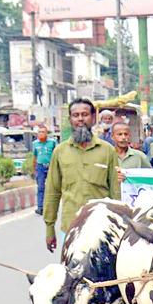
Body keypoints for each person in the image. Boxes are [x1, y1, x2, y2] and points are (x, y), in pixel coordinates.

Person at [44, 98, 121, 255]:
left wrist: (119, 227)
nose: (80, 119)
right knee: (70, 275)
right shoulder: (60, 152)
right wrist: (49, 227)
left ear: (93, 118)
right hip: (70, 227)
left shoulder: (107, 151)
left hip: (102, 227)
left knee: (103, 277)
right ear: (70, 119)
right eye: (75, 115)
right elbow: (52, 191)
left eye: (85, 114)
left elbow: (116, 192)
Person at [32, 124, 57, 216]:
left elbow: (56, 155)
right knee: (41, 187)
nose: (41, 133)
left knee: (53, 187)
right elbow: (34, 157)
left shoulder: (53, 142)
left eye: (43, 132)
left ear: (46, 133)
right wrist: (34, 170)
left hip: (50, 167)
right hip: (40, 167)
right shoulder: (35, 143)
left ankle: (52, 207)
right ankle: (40, 207)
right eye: (39, 132)